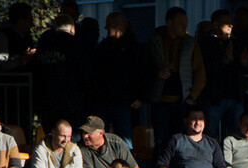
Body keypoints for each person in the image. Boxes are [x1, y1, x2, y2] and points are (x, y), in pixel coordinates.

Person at [147, 7, 206, 151]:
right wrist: (156, 73)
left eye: (186, 23)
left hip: (183, 101)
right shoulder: (155, 40)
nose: (185, 27)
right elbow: (143, 67)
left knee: (181, 142)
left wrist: (192, 97)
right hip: (159, 100)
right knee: (160, 141)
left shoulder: (190, 43)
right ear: (169, 23)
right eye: (181, 23)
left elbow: (200, 72)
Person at [90, 12, 142, 148]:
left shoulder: (132, 48)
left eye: (109, 24)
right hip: (105, 100)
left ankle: (125, 166)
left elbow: (142, 73)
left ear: (117, 25)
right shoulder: (103, 47)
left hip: (123, 102)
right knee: (100, 140)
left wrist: (140, 97)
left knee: (124, 141)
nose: (106, 27)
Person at [33, 14, 85, 131]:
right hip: (69, 101)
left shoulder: (44, 42)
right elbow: (82, 71)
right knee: (70, 137)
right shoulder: (74, 44)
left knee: (50, 135)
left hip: (46, 101)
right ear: (72, 28)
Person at [198, 9, 245, 139]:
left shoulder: (236, 42)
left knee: (235, 136)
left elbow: (243, 67)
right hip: (214, 97)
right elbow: (206, 69)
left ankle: (231, 159)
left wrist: (244, 62)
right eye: (226, 23)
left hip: (235, 96)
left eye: (231, 22)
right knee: (209, 134)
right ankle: (210, 159)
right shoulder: (206, 43)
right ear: (216, 24)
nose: (231, 25)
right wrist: (224, 59)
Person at [0, 2, 35, 71]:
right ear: (20, 21)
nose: (32, 24)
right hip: (9, 80)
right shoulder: (2, 38)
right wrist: (20, 60)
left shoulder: (27, 37)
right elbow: (2, 62)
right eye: (29, 20)